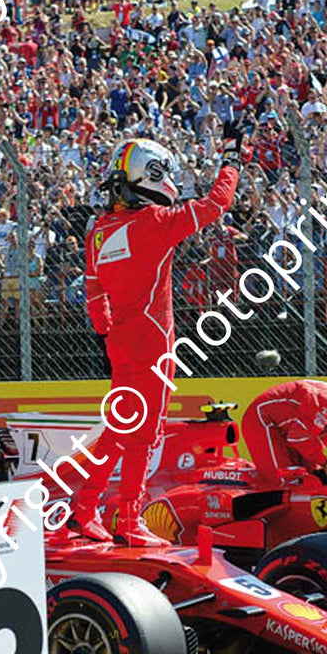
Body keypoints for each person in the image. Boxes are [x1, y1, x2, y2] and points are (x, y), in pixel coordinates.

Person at [65, 135, 245, 545]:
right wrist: (231, 162)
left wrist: (107, 333)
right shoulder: (155, 224)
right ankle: (128, 519)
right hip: (152, 343)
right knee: (145, 434)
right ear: (153, 175)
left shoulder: (97, 231)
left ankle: (84, 508)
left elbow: (95, 295)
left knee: (115, 432)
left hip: (120, 345)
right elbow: (217, 204)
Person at [239, 380, 327, 485]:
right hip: (261, 419)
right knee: (285, 480)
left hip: (286, 428)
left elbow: (311, 450)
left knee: (309, 475)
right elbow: (299, 439)